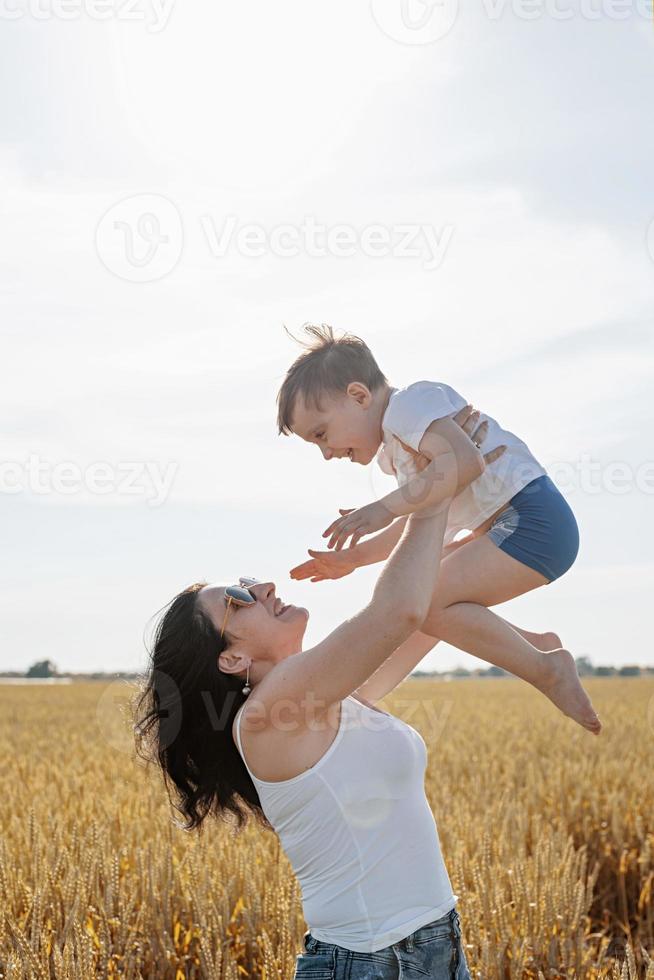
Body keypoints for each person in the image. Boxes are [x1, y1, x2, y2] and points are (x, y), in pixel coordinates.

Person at [134, 421, 500, 977]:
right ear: (230, 661)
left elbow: (428, 602)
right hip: (371, 963)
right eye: (238, 599)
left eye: (246, 580)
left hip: (434, 945)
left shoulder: (332, 698)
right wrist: (431, 486)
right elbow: (397, 612)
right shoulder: (265, 718)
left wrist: (481, 502)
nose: (262, 588)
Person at [278, 323, 601, 734]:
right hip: (515, 526)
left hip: (533, 523)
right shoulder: (399, 447)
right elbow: (427, 524)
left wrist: (384, 507)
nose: (326, 453)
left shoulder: (409, 407)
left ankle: (545, 668)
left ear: (359, 396)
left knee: (424, 601)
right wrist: (353, 559)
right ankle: (532, 649)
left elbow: (466, 463)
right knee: (421, 590)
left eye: (322, 434)